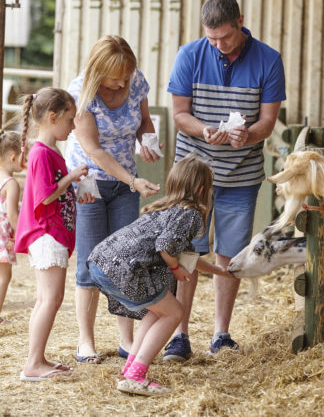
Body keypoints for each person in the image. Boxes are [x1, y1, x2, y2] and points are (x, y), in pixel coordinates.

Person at [165, 0, 286, 359]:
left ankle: (221, 334)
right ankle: (178, 334)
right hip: (193, 174)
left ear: (240, 23)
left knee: (228, 255)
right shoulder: (190, 54)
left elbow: (267, 121)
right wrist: (204, 131)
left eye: (225, 38)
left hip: (242, 173)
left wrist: (248, 134)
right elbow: (180, 114)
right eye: (211, 38)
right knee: (187, 250)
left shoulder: (268, 59)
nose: (218, 45)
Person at [87, 154, 234, 396]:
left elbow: (187, 256)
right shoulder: (191, 214)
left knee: (157, 312)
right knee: (175, 311)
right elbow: (165, 246)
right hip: (124, 268)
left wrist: (220, 271)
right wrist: (175, 269)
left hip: (101, 263)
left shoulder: (167, 208)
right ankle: (136, 375)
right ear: (201, 188)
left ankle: (129, 369)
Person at [65, 35, 161, 364]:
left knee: (127, 260)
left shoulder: (136, 82)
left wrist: (147, 138)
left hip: (124, 184)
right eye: (116, 77)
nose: (123, 83)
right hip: (88, 181)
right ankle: (85, 340)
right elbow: (94, 152)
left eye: (127, 75)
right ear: (98, 71)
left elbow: (144, 119)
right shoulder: (80, 93)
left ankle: (127, 340)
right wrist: (133, 179)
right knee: (90, 261)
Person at [15, 88, 92, 380]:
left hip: (52, 233)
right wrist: (72, 177)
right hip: (47, 233)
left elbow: (54, 193)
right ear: (52, 116)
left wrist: (74, 189)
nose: (73, 126)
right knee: (51, 298)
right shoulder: (41, 154)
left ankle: (38, 358)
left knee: (45, 299)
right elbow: (45, 198)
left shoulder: (48, 152)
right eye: (70, 120)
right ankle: (33, 364)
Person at [0, 130, 22, 324]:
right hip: (2, 238)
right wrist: (24, 236)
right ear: (13, 157)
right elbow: (12, 214)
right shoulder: (11, 183)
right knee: (3, 276)